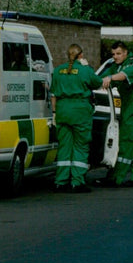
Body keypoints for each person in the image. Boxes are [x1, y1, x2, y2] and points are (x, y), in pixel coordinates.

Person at [96, 41, 133, 188]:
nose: (115, 56)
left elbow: (121, 76)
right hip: (129, 106)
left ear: (126, 53)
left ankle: (116, 177)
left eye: (118, 53)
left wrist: (110, 78)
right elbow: (100, 79)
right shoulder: (115, 65)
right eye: (113, 54)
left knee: (127, 141)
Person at [50, 44, 102, 193]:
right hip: (80, 111)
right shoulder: (85, 70)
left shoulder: (58, 70)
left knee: (64, 146)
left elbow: (53, 94)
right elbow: (97, 83)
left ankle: (60, 181)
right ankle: (77, 182)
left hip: (62, 110)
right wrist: (88, 67)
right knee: (81, 145)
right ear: (81, 55)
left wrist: (54, 113)